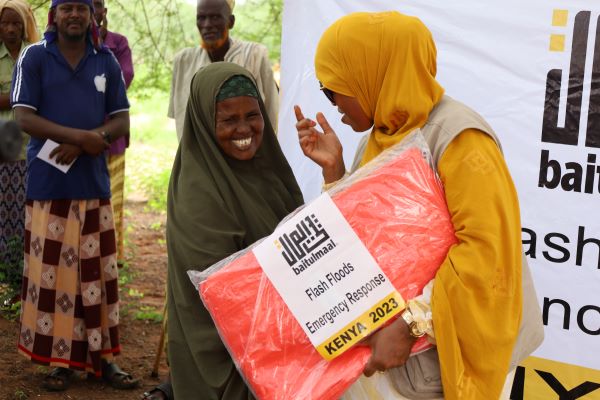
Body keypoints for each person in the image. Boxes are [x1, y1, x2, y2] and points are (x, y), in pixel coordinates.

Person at [295, 12, 535, 399]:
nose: (333, 101)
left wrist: (411, 323)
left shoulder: (459, 139)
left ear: (372, 72)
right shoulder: (379, 138)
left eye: (334, 89)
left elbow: (486, 253)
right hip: (396, 361)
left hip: (448, 356)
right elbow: (363, 239)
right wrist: (335, 173)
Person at [12, 0, 138, 392]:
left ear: (91, 14)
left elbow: (121, 119)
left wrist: (91, 142)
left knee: (97, 276)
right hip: (49, 187)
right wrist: (77, 138)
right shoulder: (35, 57)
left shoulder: (106, 60)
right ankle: (58, 363)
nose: (74, 15)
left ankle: (104, 360)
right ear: (54, 14)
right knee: (54, 280)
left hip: (93, 186)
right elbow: (23, 116)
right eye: (66, 7)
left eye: (81, 8)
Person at [166, 62, 303, 399]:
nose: (244, 129)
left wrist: (333, 171)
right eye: (228, 119)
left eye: (252, 115)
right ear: (203, 123)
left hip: (283, 341)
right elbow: (228, 296)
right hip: (228, 356)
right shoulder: (199, 194)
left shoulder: (269, 171)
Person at [168, 0, 279, 140]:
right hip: (197, 157)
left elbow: (272, 113)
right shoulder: (183, 61)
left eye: (215, 17)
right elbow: (179, 114)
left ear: (231, 22)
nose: (207, 25)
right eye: (201, 18)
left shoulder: (254, 55)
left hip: (244, 153)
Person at [93, 0, 134, 266]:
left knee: (111, 198)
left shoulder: (118, 43)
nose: (92, 11)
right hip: (76, 136)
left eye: (97, 5)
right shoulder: (70, 44)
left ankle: (110, 255)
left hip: (113, 137)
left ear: (103, 12)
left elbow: (123, 78)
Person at [0, 0, 38, 269]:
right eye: (4, 23)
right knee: (3, 208)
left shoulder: (35, 54)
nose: (10, 29)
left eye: (15, 23)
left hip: (32, 145)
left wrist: (12, 98)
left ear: (25, 25)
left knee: (27, 208)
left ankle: (24, 268)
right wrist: (21, 98)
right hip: (3, 145)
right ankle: (4, 267)